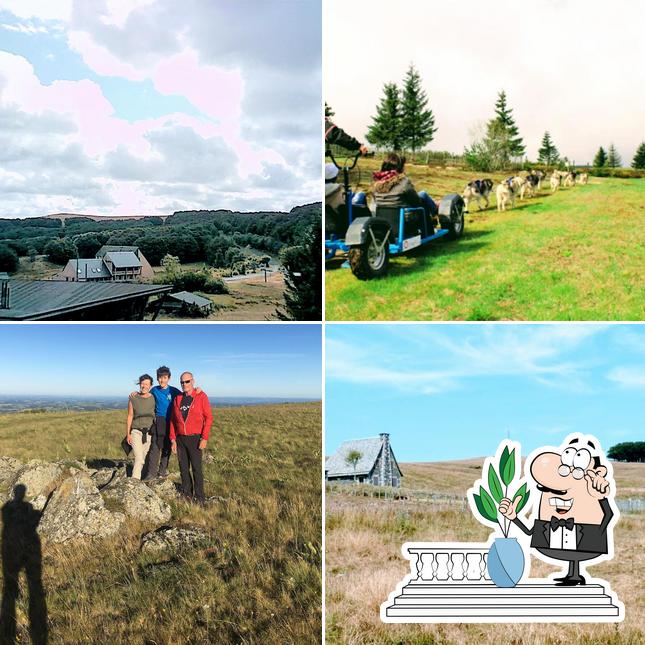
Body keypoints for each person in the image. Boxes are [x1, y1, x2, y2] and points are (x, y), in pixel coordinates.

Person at [169, 372, 212, 504]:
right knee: (183, 468)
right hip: (181, 439)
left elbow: (208, 417)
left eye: (187, 381)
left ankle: (199, 497)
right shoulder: (178, 399)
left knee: (196, 468)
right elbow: (172, 420)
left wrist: (204, 438)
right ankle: (187, 493)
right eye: (182, 382)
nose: (184, 384)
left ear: (193, 381)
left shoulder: (201, 396)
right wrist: (173, 439)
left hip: (195, 438)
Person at [366, 152, 437, 221]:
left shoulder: (376, 185)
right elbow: (416, 202)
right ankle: (432, 222)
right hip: (405, 223)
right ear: (400, 168)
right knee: (423, 199)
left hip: (383, 223)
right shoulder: (404, 183)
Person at [142, 366, 181, 481]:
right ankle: (151, 474)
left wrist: (197, 390)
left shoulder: (173, 391)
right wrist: (136, 393)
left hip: (171, 422)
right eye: (160, 377)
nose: (162, 380)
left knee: (167, 448)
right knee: (155, 447)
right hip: (159, 421)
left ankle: (162, 471)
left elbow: (185, 396)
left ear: (169, 378)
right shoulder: (154, 390)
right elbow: (145, 396)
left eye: (164, 377)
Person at [126, 374, 156, 480]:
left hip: (149, 433)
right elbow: (130, 416)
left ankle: (142, 479)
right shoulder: (133, 398)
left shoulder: (153, 398)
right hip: (136, 432)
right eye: (142, 383)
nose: (144, 386)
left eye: (146, 384)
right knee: (139, 458)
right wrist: (128, 434)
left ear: (150, 385)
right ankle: (135, 482)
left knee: (144, 457)